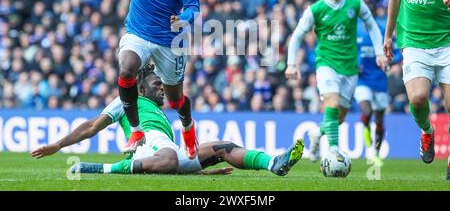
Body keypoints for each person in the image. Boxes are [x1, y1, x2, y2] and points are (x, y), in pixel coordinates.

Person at [69, 0, 200, 157]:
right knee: (127, 69)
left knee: (175, 100)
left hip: (167, 41)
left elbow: (193, 5)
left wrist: (185, 19)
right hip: (138, 32)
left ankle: (188, 126)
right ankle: (137, 130)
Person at [31, 64, 304, 176]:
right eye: (157, 83)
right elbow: (92, 126)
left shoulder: (159, 108)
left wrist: (199, 172)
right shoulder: (128, 101)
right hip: (149, 145)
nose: (163, 88)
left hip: (167, 150)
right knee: (170, 159)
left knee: (224, 147)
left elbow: (172, 161)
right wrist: (57, 145)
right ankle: (99, 168)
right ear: (141, 87)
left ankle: (273, 163)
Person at [285, 0, 387, 162]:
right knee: (331, 103)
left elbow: (372, 26)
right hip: (326, 64)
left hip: (349, 68)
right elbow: (297, 35)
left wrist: (379, 52)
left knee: (339, 118)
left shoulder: (355, 4)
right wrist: (291, 63)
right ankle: (333, 151)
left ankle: (316, 134)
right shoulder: (315, 10)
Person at [383, 0, 450, 177]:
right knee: (419, 98)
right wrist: (388, 35)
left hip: (446, 41)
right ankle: (427, 131)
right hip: (414, 43)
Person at [355, 14, 401, 166]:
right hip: (362, 81)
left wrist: (390, 60)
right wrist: (353, 64)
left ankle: (376, 152)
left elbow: (399, 50)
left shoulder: (382, 32)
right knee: (367, 111)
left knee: (380, 119)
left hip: (380, 81)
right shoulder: (356, 32)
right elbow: (347, 51)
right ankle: (368, 145)